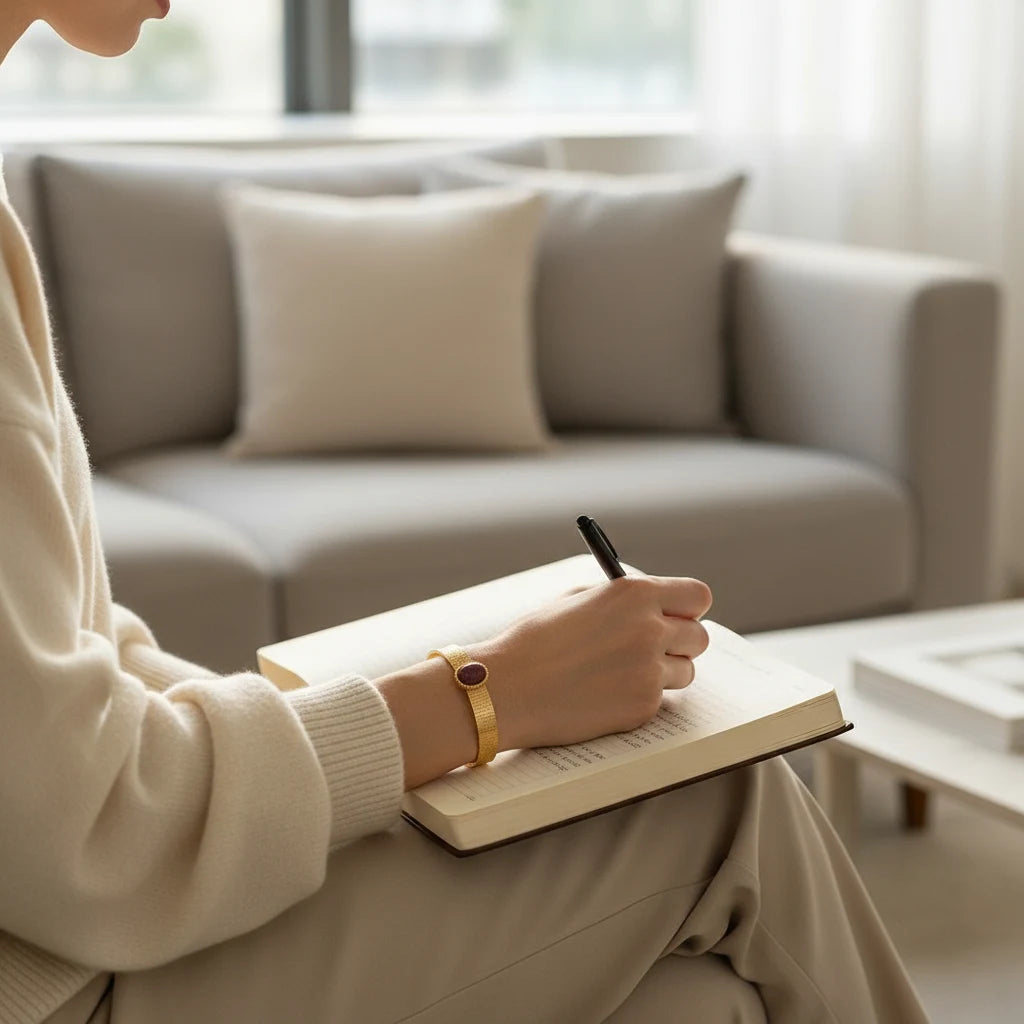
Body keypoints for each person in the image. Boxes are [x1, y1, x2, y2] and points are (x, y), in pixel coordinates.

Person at [0, 3, 931, 1023]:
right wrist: (485, 694)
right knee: (724, 800)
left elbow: (72, 669)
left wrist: (348, 736)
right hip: (61, 981)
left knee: (700, 1005)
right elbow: (94, 832)